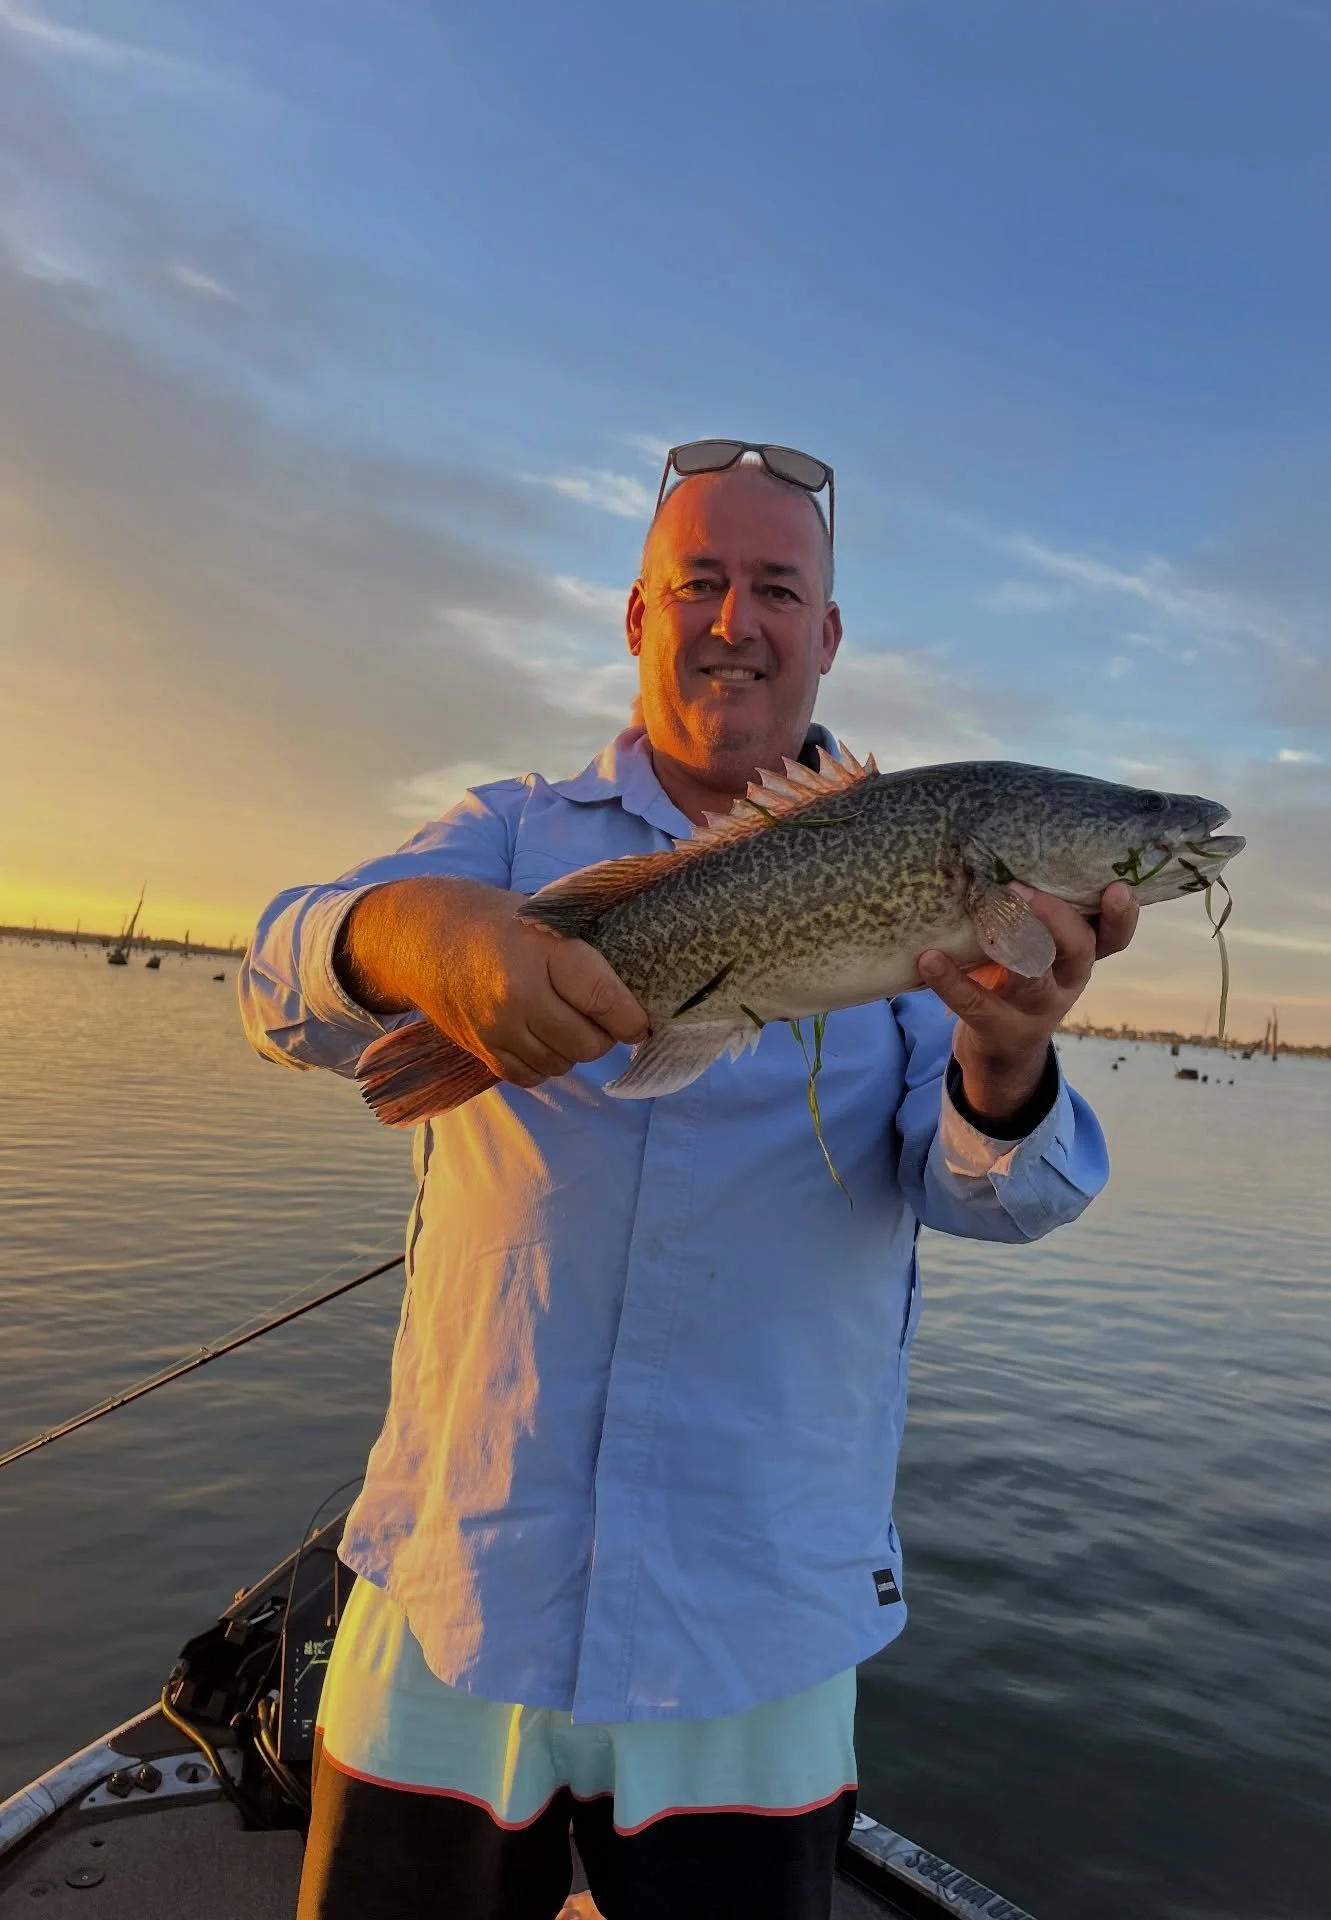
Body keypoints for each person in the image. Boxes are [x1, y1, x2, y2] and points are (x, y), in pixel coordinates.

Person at [238, 440, 1137, 1920]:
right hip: (461, 1586)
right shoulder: (512, 837)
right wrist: (422, 944)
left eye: (777, 587)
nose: (738, 617)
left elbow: (1001, 1192)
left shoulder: (932, 881)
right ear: (638, 616)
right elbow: (277, 977)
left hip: (753, 1618)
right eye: (700, 582)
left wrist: (1003, 1062)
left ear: (829, 633)